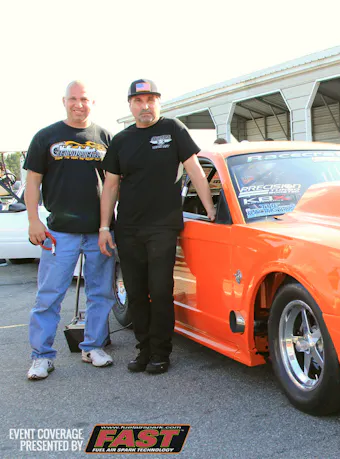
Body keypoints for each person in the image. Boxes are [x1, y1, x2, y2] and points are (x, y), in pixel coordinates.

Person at [99, 79, 216, 374]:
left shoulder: (173, 129)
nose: (145, 106)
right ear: (130, 105)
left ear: (159, 102)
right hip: (128, 228)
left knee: (161, 290)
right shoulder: (121, 140)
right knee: (136, 292)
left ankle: (161, 352)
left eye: (151, 100)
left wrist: (210, 208)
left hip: (163, 227)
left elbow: (195, 170)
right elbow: (110, 186)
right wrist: (104, 227)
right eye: (139, 101)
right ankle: (144, 349)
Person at [24, 81, 115, 380]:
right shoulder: (46, 136)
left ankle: (93, 347)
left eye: (84, 99)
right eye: (73, 99)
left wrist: (108, 226)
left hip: (99, 231)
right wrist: (33, 220)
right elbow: (33, 182)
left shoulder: (104, 137)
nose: (79, 104)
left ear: (92, 102)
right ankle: (41, 357)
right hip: (59, 232)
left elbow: (113, 184)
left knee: (100, 293)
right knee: (49, 296)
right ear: (64, 101)